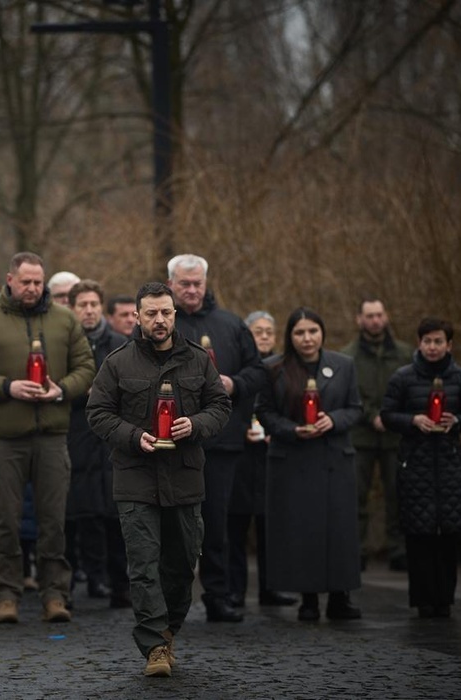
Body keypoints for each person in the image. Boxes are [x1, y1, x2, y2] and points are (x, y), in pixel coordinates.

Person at [87, 282, 231, 677]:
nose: (160, 320)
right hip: (136, 478)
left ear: (175, 314)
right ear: (137, 316)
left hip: (185, 477)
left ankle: (167, 632)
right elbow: (97, 412)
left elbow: (221, 405)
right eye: (151, 313)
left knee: (183, 564)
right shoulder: (118, 362)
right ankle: (154, 646)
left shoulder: (199, 360)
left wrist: (196, 424)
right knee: (144, 565)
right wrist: (134, 436)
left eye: (166, 312)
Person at [0, 251, 95, 625]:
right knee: (6, 521)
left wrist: (61, 390)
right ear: (10, 280)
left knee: (54, 521)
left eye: (38, 282)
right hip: (5, 439)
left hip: (52, 437)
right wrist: (6, 386)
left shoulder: (65, 320)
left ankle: (54, 596)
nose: (33, 288)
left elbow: (87, 369)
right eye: (26, 281)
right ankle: (6, 594)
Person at [167, 254, 267, 623]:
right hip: (171, 444)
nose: (192, 291)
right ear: (171, 284)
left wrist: (234, 384)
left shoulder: (231, 325)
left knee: (217, 525)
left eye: (198, 284)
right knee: (174, 526)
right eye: (184, 284)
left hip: (222, 443)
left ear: (206, 284)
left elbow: (258, 372)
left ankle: (218, 594)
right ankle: (169, 600)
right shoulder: (161, 323)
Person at [255, 307, 363, 622]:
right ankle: (309, 598)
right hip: (293, 460)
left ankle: (341, 597)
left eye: (313, 331)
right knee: (302, 531)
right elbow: (264, 412)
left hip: (334, 459)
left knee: (338, 532)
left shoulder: (343, 365)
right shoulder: (273, 368)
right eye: (300, 332)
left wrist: (335, 419)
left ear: (322, 333)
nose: (307, 338)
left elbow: (355, 408)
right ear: (290, 336)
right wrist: (292, 429)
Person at [380, 318, 461, 618]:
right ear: (419, 343)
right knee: (419, 535)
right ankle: (422, 599)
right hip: (416, 465)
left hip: (448, 466)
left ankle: (444, 599)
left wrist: (457, 422)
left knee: (448, 535)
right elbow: (387, 415)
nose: (432, 347)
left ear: (449, 345)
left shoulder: (459, 378)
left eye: (438, 341)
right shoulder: (403, 377)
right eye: (427, 341)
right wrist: (413, 421)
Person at [65, 279, 130, 607]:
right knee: (80, 516)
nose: (88, 311)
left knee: (116, 517)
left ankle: (121, 585)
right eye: (82, 305)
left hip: (113, 441)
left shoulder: (120, 343)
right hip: (76, 438)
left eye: (93, 304)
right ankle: (85, 582)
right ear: (72, 309)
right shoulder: (63, 344)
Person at [226, 311, 296, 609]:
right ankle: (234, 590)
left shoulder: (284, 368)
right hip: (240, 457)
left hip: (272, 456)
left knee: (272, 527)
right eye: (258, 330)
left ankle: (272, 588)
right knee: (235, 526)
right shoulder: (238, 366)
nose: (265, 336)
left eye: (269, 330)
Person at [341, 297, 413, 572]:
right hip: (361, 436)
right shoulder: (348, 356)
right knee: (357, 495)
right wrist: (372, 415)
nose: (374, 320)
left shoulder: (405, 354)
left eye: (379, 314)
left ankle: (398, 549)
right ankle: (357, 550)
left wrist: (393, 416)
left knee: (398, 493)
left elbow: (410, 390)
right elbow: (347, 394)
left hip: (396, 436)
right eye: (369, 315)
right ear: (359, 319)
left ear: (386, 316)